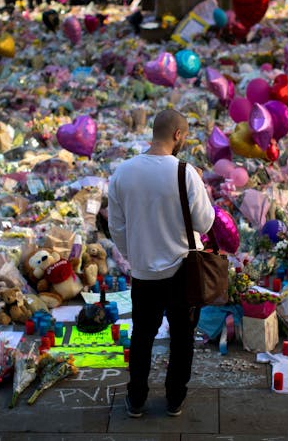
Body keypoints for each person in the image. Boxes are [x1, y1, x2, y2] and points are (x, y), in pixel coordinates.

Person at [107, 109, 215, 419]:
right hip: (183, 271)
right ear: (178, 135)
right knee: (182, 339)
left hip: (143, 273)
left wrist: (135, 256)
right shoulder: (185, 173)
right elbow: (205, 224)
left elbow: (116, 227)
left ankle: (137, 399)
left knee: (142, 336)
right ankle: (174, 399)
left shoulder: (123, 172)